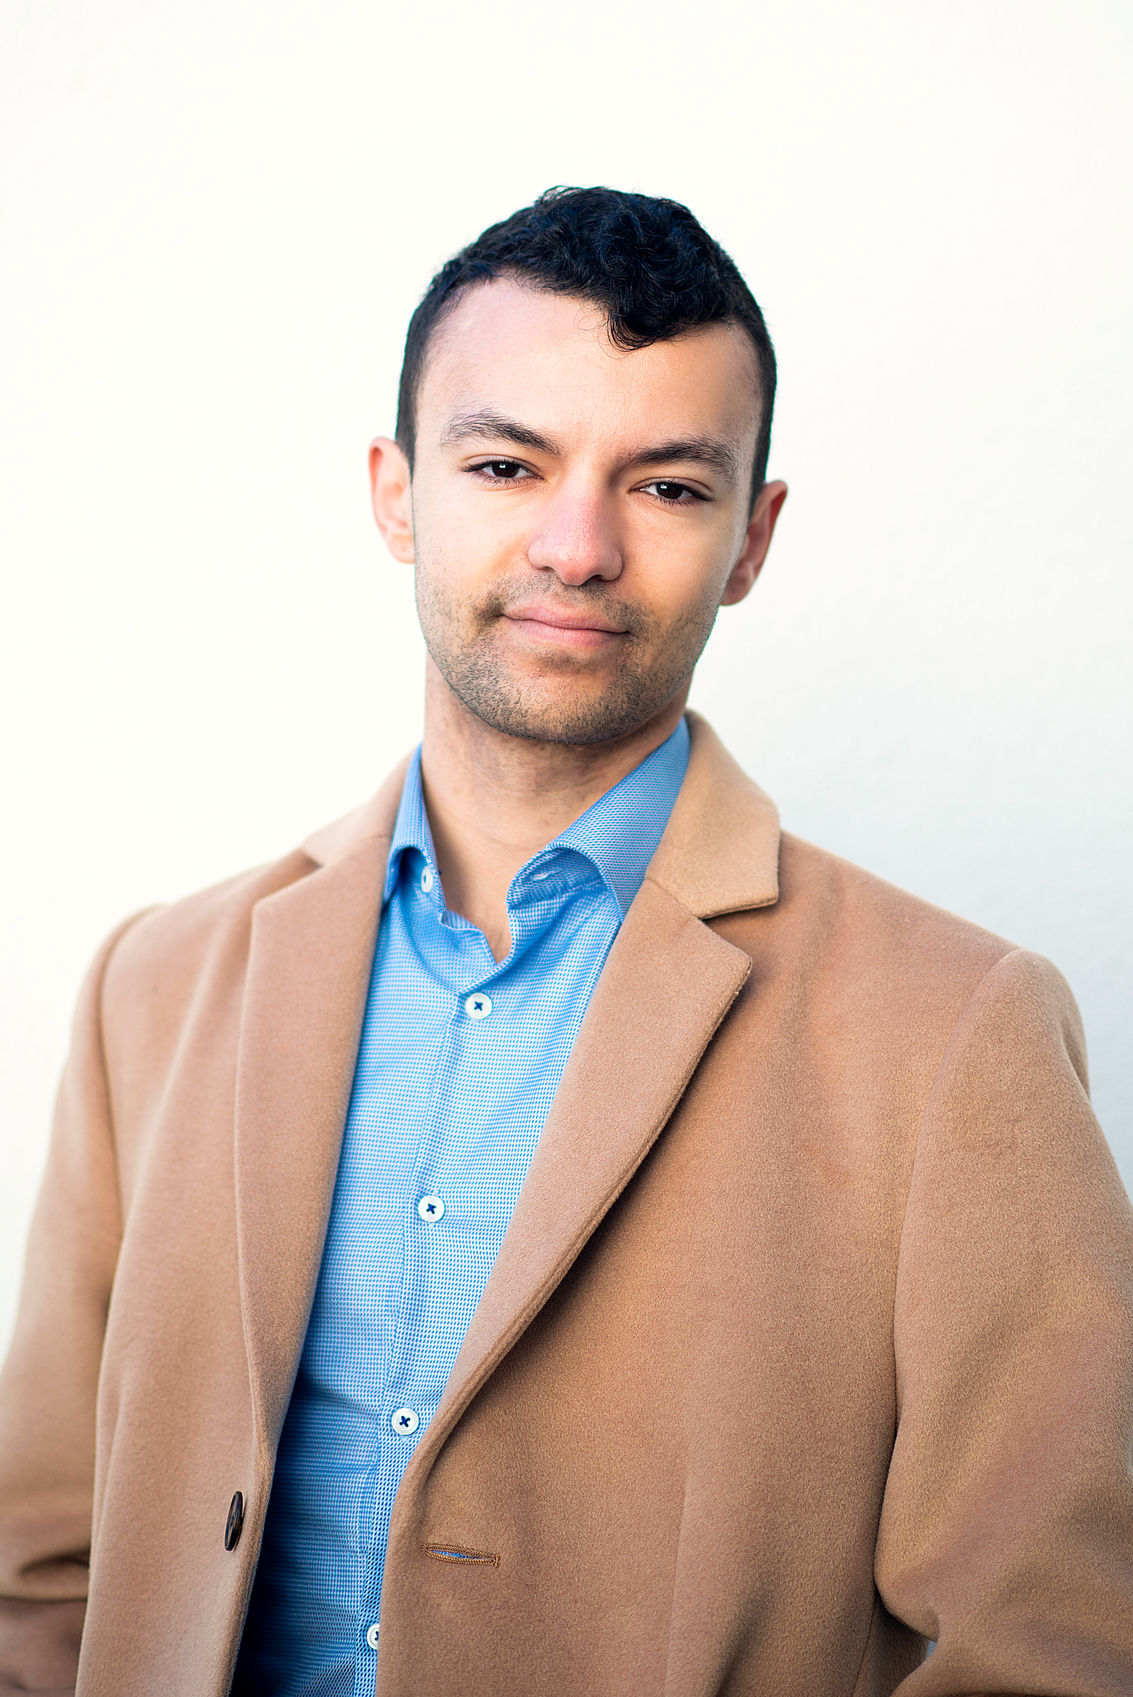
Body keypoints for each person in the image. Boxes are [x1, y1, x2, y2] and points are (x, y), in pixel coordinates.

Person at [1, 186, 1131, 1697]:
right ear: (397, 494)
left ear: (751, 538)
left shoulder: (955, 1029)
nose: (578, 545)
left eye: (665, 485)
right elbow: (39, 1576)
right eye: (504, 464)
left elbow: (1055, 1642)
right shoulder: (155, 986)